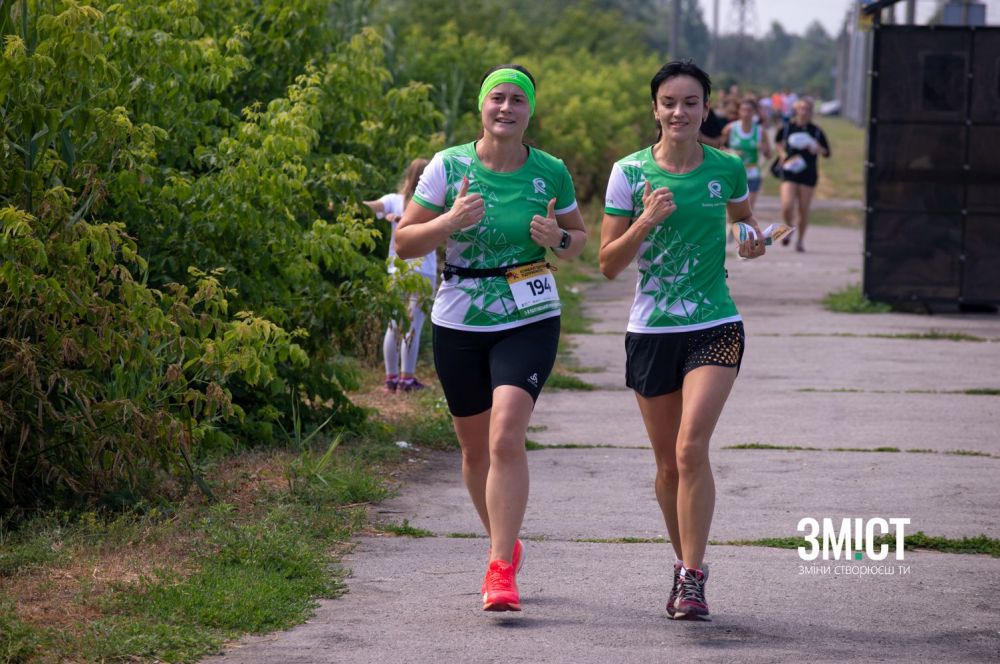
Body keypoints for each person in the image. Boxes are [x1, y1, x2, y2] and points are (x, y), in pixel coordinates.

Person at [395, 64, 587, 612]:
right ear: (482, 107)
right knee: (475, 450)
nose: (506, 108)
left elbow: (578, 242)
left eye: (517, 101)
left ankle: (500, 568)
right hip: (458, 317)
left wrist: (559, 238)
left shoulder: (549, 171)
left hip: (528, 312)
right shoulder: (448, 165)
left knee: (506, 436)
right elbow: (406, 242)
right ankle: (506, 541)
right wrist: (449, 221)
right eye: (497, 99)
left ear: (530, 110)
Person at [599, 60, 765, 621]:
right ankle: (681, 563)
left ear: (706, 108)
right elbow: (606, 264)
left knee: (692, 448)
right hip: (651, 331)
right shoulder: (628, 173)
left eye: (691, 102)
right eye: (669, 102)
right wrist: (644, 222)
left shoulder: (727, 167)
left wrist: (752, 240)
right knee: (668, 464)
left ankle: (694, 577)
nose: (679, 112)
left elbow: (745, 219)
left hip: (715, 323)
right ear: (655, 109)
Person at [364, 159, 435, 393]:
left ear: (408, 176)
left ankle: (391, 378)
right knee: (413, 325)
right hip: (423, 271)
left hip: (397, 270)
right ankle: (407, 379)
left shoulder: (393, 201)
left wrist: (347, 202)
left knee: (394, 324)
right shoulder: (433, 204)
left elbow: (370, 206)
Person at [775, 97, 831, 252]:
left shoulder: (816, 131)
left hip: (808, 173)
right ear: (796, 110)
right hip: (789, 171)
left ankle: (800, 240)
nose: (804, 112)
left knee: (803, 209)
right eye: (801, 108)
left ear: (811, 112)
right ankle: (788, 229)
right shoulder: (788, 127)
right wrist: (781, 153)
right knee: (787, 205)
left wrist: (817, 148)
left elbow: (826, 152)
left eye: (807, 109)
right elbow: (778, 141)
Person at [721, 97, 772, 210]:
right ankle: (732, 228)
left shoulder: (760, 131)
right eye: (743, 110)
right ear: (739, 111)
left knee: (747, 210)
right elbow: (719, 149)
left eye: (749, 110)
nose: (746, 113)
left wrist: (764, 150)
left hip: (752, 173)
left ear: (754, 112)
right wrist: (731, 152)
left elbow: (769, 156)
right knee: (732, 214)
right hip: (733, 174)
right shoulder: (730, 128)